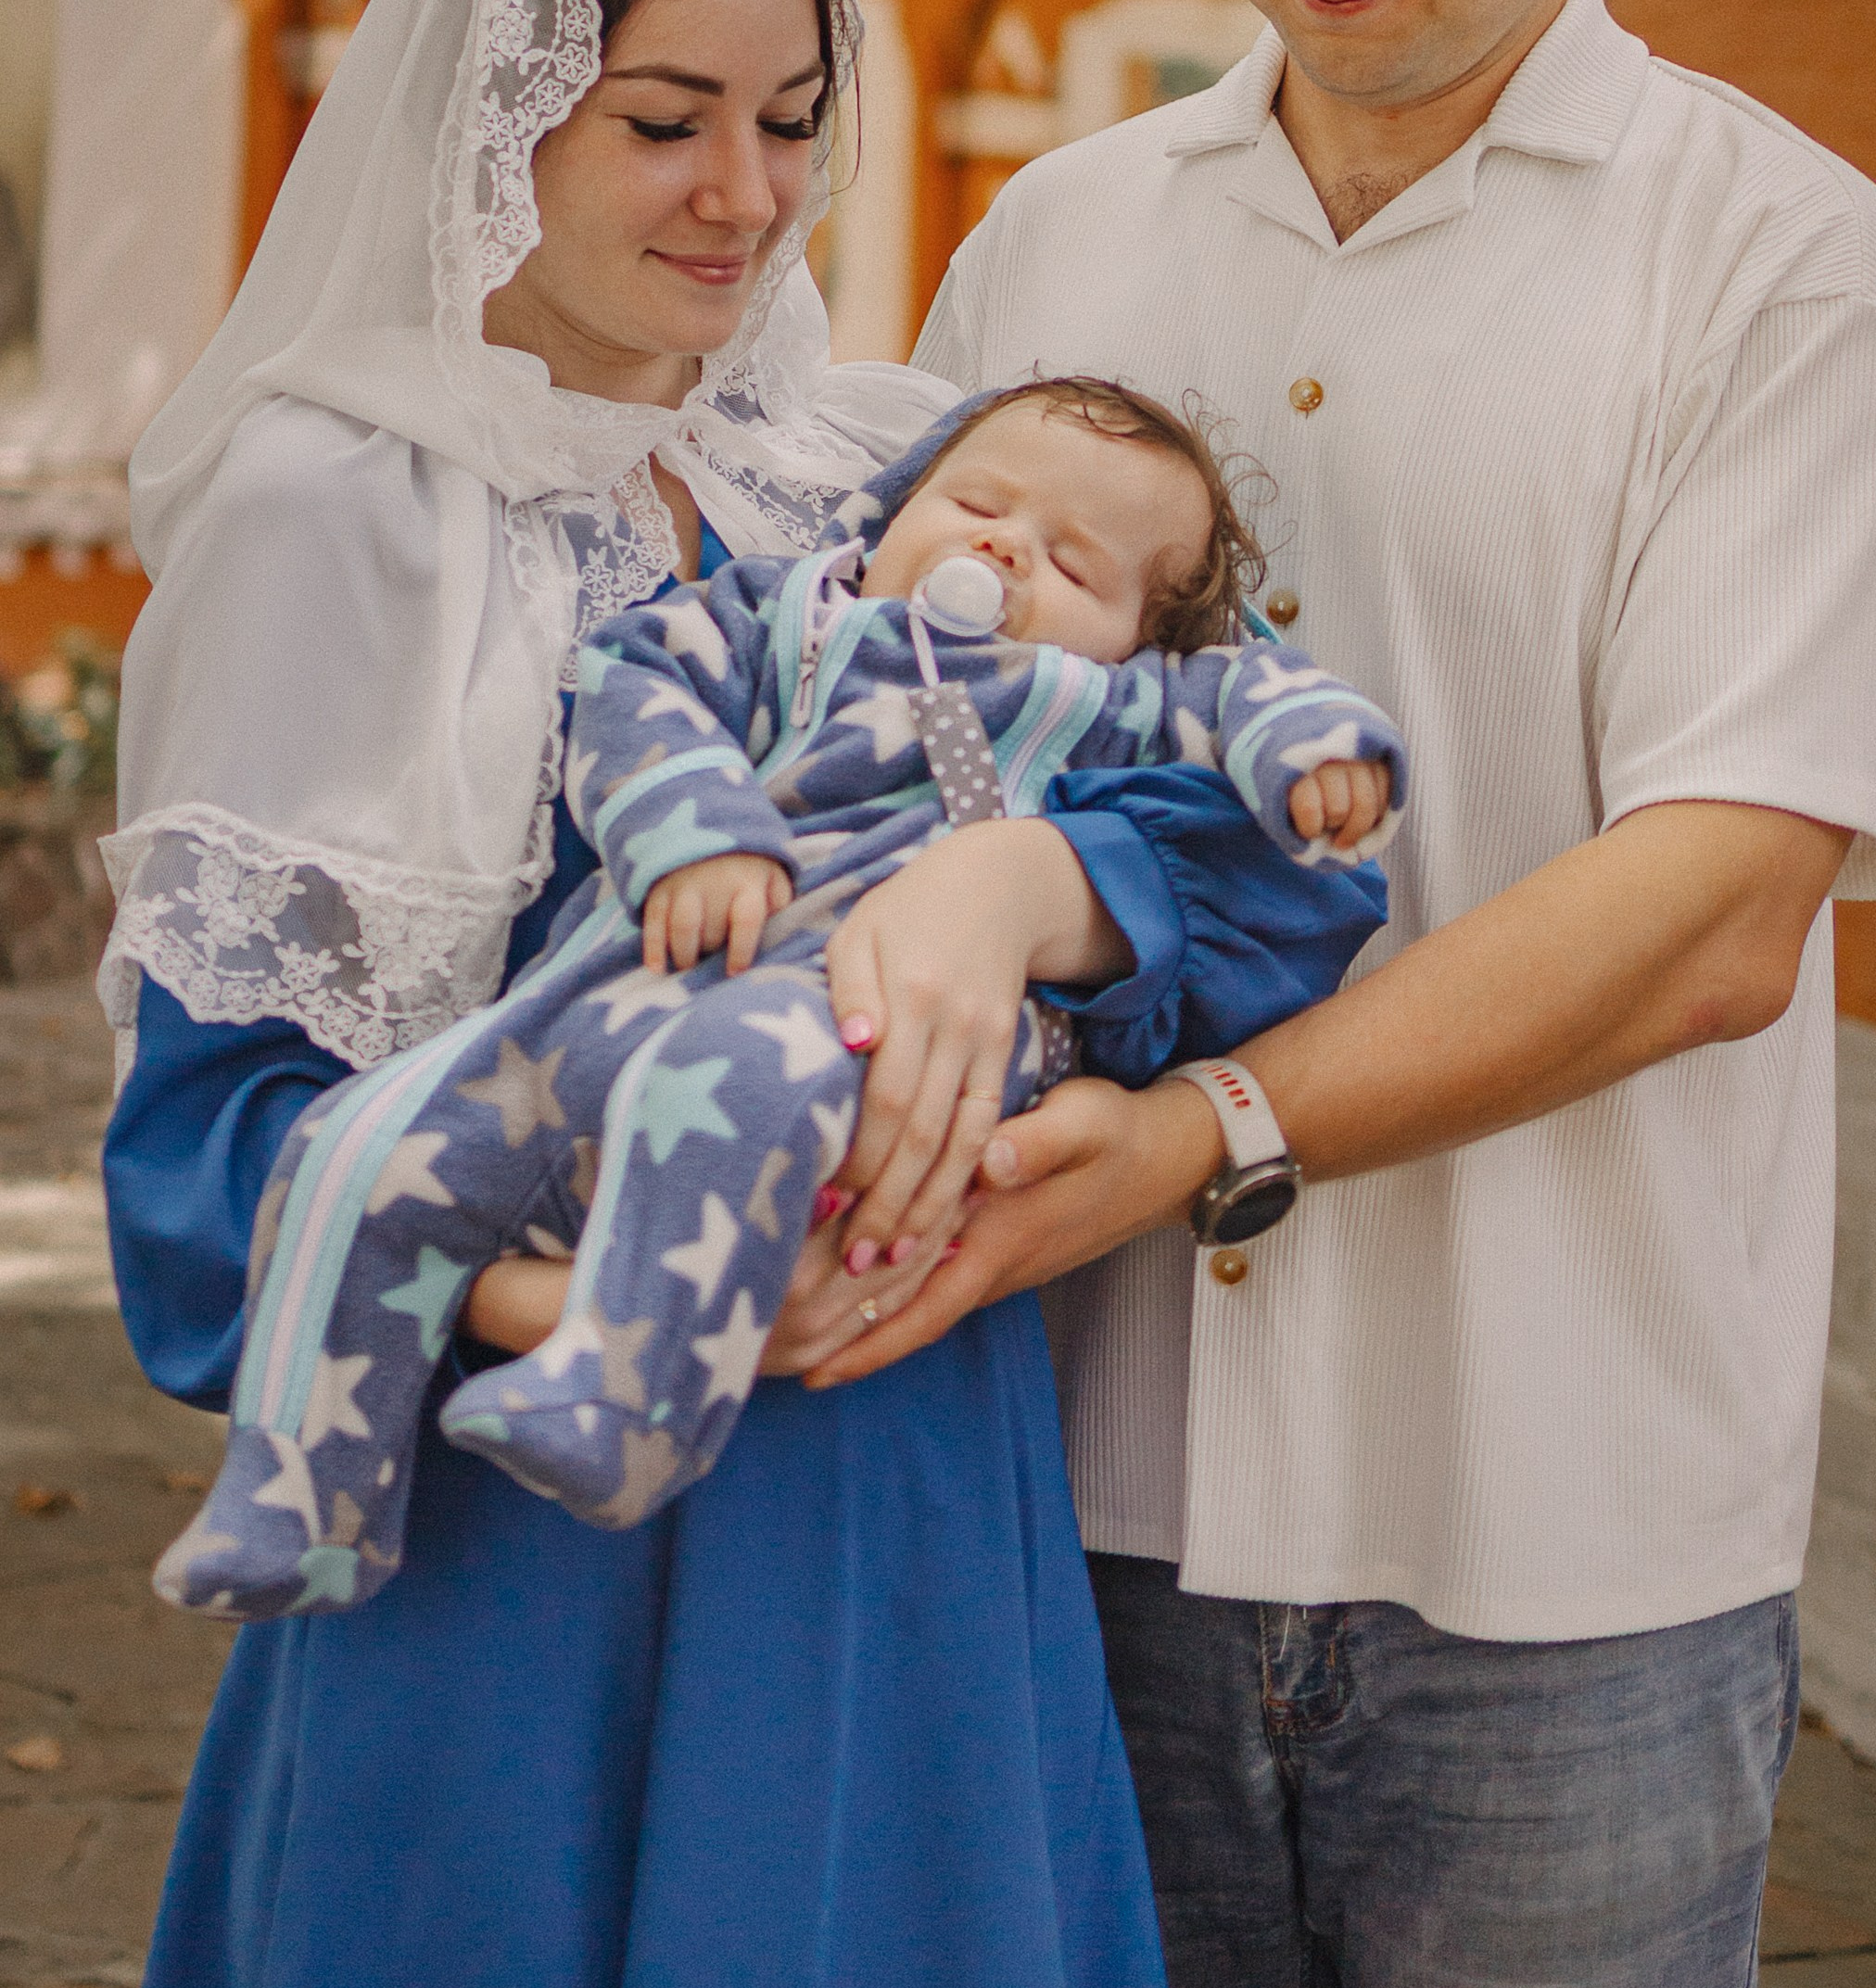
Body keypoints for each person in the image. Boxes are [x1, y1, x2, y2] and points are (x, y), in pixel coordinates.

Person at [841, 0, 1876, 1988]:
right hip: (1081, 1502)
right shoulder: (1052, 242)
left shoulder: (1781, 260)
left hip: (1562, 1555)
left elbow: (1717, 904)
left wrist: (1210, 1124)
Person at [99, 0, 1314, 1988]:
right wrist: (630, 1307)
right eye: (663, 118)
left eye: (784, 118)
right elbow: (205, 1160)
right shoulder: (339, 507)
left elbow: (1214, 849)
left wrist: (1026, 890)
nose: (740, 198)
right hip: (519, 1541)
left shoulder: (855, 476)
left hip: (908, 1488)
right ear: (505, 104)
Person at [158, 375, 1402, 1614]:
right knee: (362, 1148)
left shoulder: (1100, 703)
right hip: (626, 1001)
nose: (1003, 547)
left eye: (1073, 564)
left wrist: (1323, 752)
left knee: (750, 1068)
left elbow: (1248, 694)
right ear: (899, 499)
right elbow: (636, 683)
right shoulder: (780, 617)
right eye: (977, 501)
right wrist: (693, 830)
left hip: (870, 1023)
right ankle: (302, 1500)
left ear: (1136, 635)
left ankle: (627, 1396)